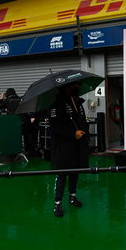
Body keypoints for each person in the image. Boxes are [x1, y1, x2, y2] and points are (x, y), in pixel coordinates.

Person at [49, 82, 89, 217]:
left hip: (76, 146)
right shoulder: (56, 104)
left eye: (77, 85)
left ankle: (72, 196)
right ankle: (57, 204)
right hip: (62, 147)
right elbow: (55, 126)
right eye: (73, 86)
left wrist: (83, 130)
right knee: (62, 175)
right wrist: (72, 133)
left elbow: (82, 121)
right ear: (66, 88)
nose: (77, 87)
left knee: (75, 172)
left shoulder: (78, 103)